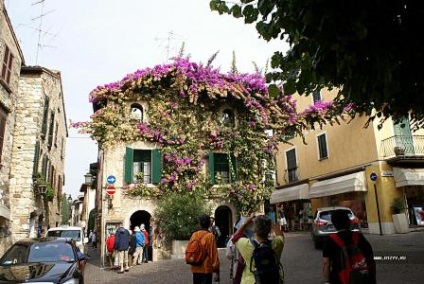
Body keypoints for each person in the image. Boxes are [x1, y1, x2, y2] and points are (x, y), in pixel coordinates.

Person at [322, 210, 376, 284]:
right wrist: (372, 278)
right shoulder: (358, 237)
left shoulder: (330, 240)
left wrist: (327, 282)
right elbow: (370, 258)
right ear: (348, 222)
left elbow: (326, 264)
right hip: (361, 278)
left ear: (334, 224)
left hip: (339, 279)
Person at [232, 215, 285, 284]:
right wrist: (270, 222)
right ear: (269, 230)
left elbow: (235, 237)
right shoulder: (276, 243)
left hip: (251, 281)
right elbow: (281, 235)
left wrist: (246, 223)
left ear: (255, 230)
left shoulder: (246, 244)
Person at [189, 214, 220, 284]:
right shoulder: (210, 236)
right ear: (209, 224)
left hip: (195, 268)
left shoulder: (194, 235)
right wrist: (216, 271)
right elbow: (214, 255)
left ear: (199, 223)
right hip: (206, 269)